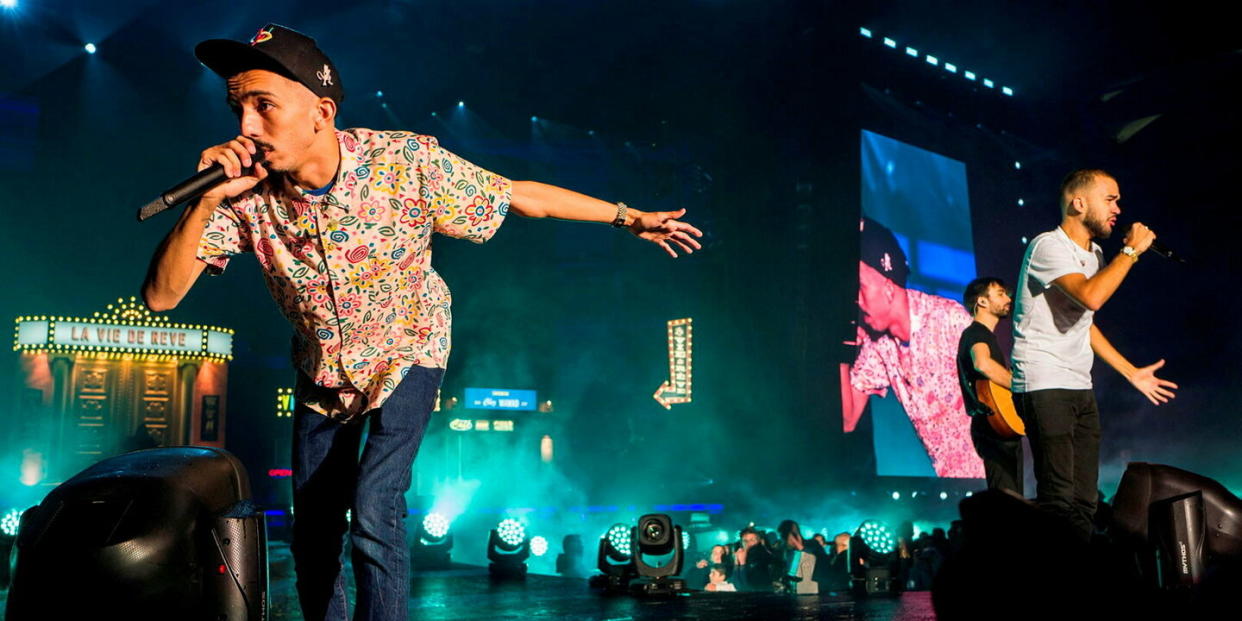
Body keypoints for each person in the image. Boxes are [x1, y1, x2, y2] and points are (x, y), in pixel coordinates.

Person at [140, 24, 702, 621]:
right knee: (314, 528)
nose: (246, 127)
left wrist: (627, 216)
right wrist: (206, 200)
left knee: (376, 504)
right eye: (238, 109)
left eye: (264, 105)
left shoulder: (404, 161)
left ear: (321, 112)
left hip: (409, 350)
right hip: (323, 372)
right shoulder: (244, 196)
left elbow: (519, 196)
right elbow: (162, 297)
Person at [1010, 169, 1177, 540]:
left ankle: (1078, 584)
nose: (1118, 207)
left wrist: (1130, 371)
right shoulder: (1047, 246)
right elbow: (1092, 297)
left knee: (1085, 498)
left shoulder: (1096, 254)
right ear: (1079, 203)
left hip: (1077, 382)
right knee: (1059, 497)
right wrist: (1131, 251)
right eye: (1110, 198)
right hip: (1042, 380)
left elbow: (1084, 321)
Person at [840, 217, 979, 477]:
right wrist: (842, 351)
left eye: (860, 288)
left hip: (989, 472)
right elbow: (847, 421)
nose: (855, 300)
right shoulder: (878, 346)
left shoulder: (948, 320)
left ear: (889, 288)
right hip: (950, 482)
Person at [956, 277, 1023, 494]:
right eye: (1001, 293)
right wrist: (1018, 385)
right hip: (993, 429)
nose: (1008, 298)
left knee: (1013, 499)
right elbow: (982, 363)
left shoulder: (985, 335)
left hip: (1001, 428)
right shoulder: (975, 333)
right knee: (1007, 500)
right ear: (982, 302)